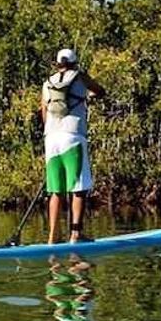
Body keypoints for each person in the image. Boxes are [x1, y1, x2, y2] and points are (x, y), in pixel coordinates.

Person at [40, 48, 105, 244]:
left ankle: (52, 237)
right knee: (78, 188)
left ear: (57, 63)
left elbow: (43, 111)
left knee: (55, 190)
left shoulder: (47, 82)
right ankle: (76, 234)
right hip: (73, 137)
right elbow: (101, 91)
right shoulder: (80, 77)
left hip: (51, 139)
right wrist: (87, 97)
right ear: (74, 62)